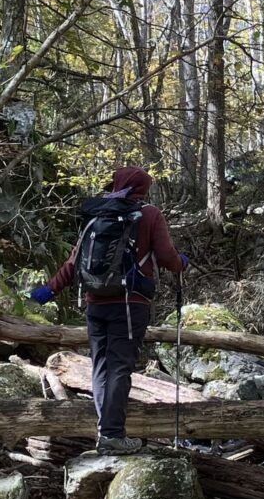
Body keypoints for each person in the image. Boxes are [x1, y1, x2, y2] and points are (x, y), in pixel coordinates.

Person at [30, 166, 187, 454]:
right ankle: (112, 435)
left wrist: (49, 290)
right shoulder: (149, 214)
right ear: (143, 188)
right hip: (129, 304)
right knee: (119, 367)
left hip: (95, 303)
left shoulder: (98, 215)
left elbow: (73, 262)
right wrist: (182, 263)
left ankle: (106, 432)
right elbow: (167, 258)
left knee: (101, 366)